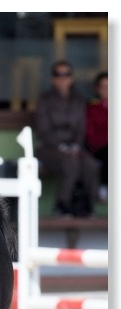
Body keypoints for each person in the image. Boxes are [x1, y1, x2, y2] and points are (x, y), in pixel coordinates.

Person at [34, 60, 100, 217]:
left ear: (72, 78)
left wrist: (75, 146)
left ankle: (87, 206)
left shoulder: (78, 100)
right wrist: (62, 147)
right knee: (69, 162)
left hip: (75, 148)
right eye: (58, 74)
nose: (62, 78)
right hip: (49, 149)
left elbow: (81, 129)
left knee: (90, 164)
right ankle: (62, 205)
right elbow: (43, 130)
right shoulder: (44, 99)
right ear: (52, 78)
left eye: (66, 74)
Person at [85, 70, 108, 204]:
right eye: (103, 87)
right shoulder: (92, 109)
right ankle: (105, 188)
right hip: (99, 149)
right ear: (97, 89)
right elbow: (91, 136)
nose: (107, 91)